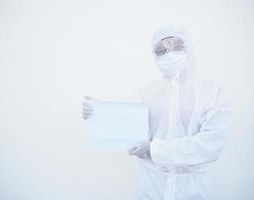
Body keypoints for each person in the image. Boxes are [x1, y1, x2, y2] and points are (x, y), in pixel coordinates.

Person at [83, 25, 232, 200]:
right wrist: (99, 113)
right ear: (154, 55)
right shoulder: (147, 92)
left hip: (192, 188)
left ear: (189, 48)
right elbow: (129, 124)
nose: (170, 54)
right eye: (162, 50)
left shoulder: (212, 92)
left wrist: (154, 149)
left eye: (177, 46)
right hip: (150, 185)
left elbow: (210, 146)